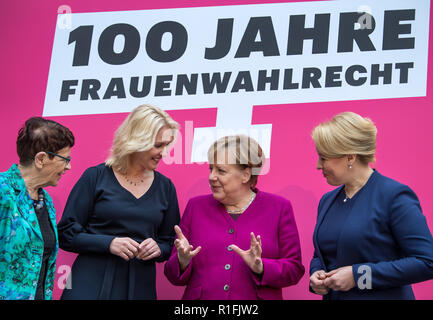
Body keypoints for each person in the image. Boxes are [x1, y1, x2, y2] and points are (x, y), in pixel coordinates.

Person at [58, 104, 180, 300]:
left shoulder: (166, 187)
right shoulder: (96, 176)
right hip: (89, 283)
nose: (164, 153)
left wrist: (159, 249)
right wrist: (109, 243)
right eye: (158, 145)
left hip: (140, 287)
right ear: (137, 140)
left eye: (166, 145)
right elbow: (65, 233)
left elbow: (170, 243)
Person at [309, 111, 433, 300]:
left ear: (350, 157)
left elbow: (427, 262)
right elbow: (321, 254)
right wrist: (316, 273)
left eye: (324, 157)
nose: (318, 165)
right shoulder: (327, 200)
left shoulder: (394, 196)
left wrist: (359, 276)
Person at [164, 135, 305, 299]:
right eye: (211, 169)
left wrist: (261, 267)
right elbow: (172, 275)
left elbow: (294, 270)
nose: (211, 177)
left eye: (221, 171)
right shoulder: (196, 207)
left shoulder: (279, 208)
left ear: (245, 175)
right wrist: (182, 261)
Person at [0, 117, 74, 300]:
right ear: (41, 159)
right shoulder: (3, 192)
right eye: (65, 159)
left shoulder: (45, 200)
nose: (69, 167)